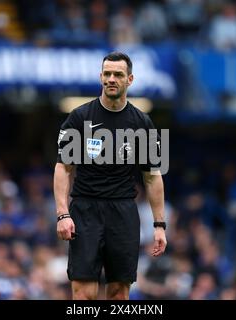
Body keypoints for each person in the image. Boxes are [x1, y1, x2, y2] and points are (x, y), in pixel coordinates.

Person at [53, 51, 167, 300]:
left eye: (118, 74)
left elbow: (153, 176)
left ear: (130, 80)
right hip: (85, 210)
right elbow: (63, 167)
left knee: (118, 292)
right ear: (100, 77)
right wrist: (63, 214)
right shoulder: (79, 117)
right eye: (107, 74)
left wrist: (159, 225)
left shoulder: (143, 123)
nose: (111, 79)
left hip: (123, 212)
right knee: (83, 292)